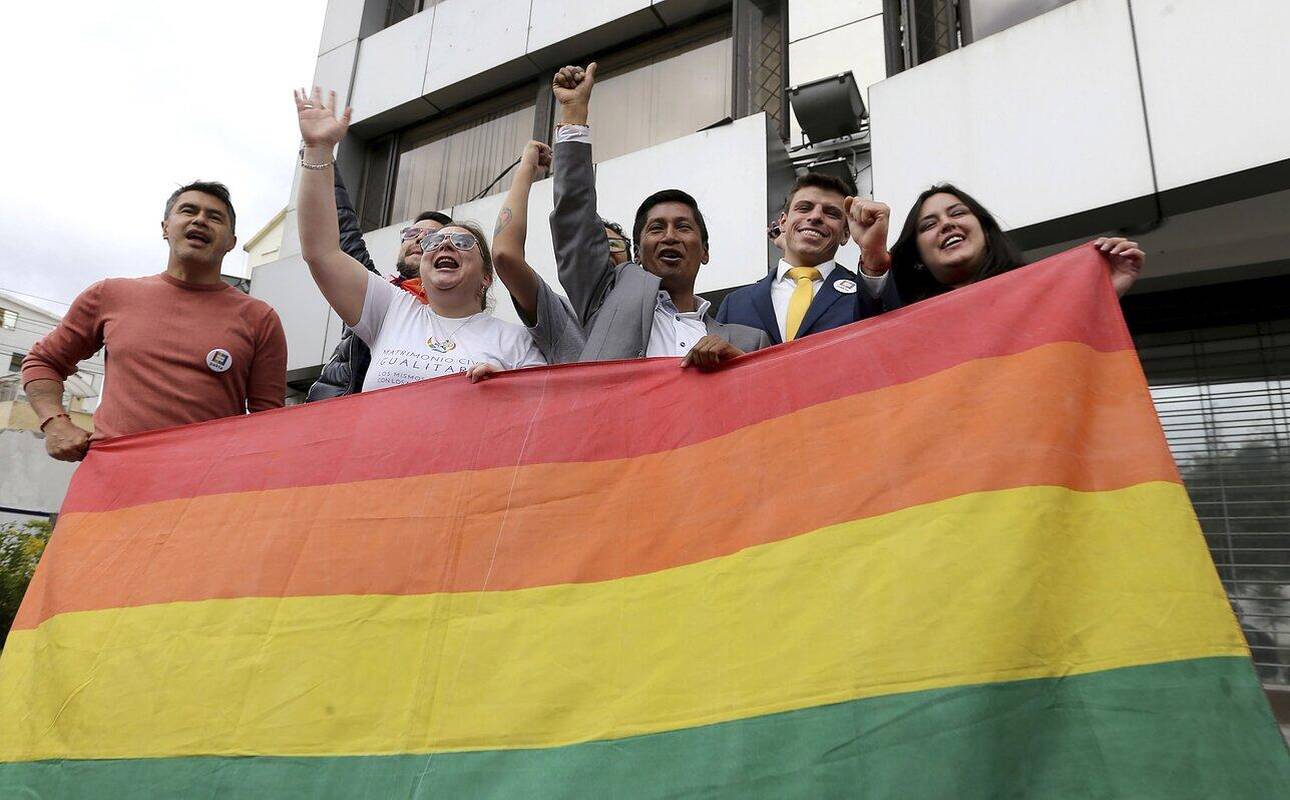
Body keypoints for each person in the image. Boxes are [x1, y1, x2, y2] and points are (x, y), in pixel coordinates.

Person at [294, 87, 545, 387]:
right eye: (433, 243)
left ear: (486, 278)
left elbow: (543, 407)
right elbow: (321, 252)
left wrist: (507, 388)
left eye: (463, 243)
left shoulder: (517, 342)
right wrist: (318, 149)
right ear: (422, 274)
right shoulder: (390, 309)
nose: (445, 244)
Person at [22, 181, 287, 461]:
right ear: (165, 227)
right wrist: (55, 423)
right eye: (188, 211)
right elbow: (43, 361)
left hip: (208, 481)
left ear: (231, 242)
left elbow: (269, 421)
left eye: (215, 217)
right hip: (110, 476)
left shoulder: (260, 319)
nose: (200, 220)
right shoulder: (109, 295)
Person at [549, 63, 770, 368]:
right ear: (637, 254)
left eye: (683, 227)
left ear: (705, 251)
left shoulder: (748, 341)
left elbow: (771, 395)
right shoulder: (605, 299)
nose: (669, 236)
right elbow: (574, 220)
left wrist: (738, 365)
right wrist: (574, 114)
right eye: (656, 228)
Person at [305, 166, 453, 400]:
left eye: (432, 236)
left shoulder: (460, 314)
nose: (418, 239)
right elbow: (344, 230)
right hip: (342, 411)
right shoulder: (373, 294)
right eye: (412, 233)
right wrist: (320, 158)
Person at [886, 183, 1145, 304]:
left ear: (986, 232)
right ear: (918, 256)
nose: (946, 224)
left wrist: (1104, 295)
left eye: (957, 213)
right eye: (929, 225)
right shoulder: (905, 320)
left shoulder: (1041, 297)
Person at [716, 174, 897, 343]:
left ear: (845, 234)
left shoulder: (865, 294)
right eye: (804, 208)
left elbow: (889, 339)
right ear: (783, 222)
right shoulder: (735, 304)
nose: (816, 216)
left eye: (831, 213)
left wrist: (873, 253)